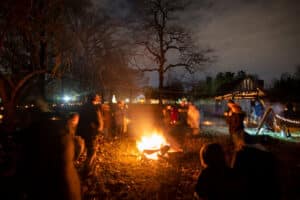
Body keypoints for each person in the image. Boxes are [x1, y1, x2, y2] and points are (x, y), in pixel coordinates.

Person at [76, 93, 103, 175]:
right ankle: (86, 170)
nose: (99, 99)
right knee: (91, 151)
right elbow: (98, 121)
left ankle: (90, 167)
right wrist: (99, 130)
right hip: (91, 133)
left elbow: (80, 119)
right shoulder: (94, 108)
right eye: (98, 97)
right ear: (95, 99)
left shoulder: (83, 106)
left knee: (88, 150)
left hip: (83, 132)